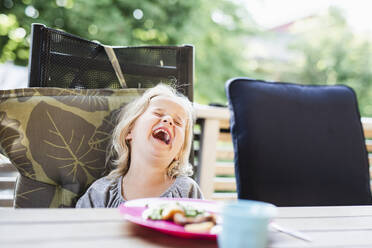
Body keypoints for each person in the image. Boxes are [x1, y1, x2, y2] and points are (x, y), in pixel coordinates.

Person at [76, 84, 203, 208]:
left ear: (179, 151)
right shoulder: (100, 193)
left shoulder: (188, 192)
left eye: (177, 122)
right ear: (129, 131)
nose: (168, 120)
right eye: (158, 114)